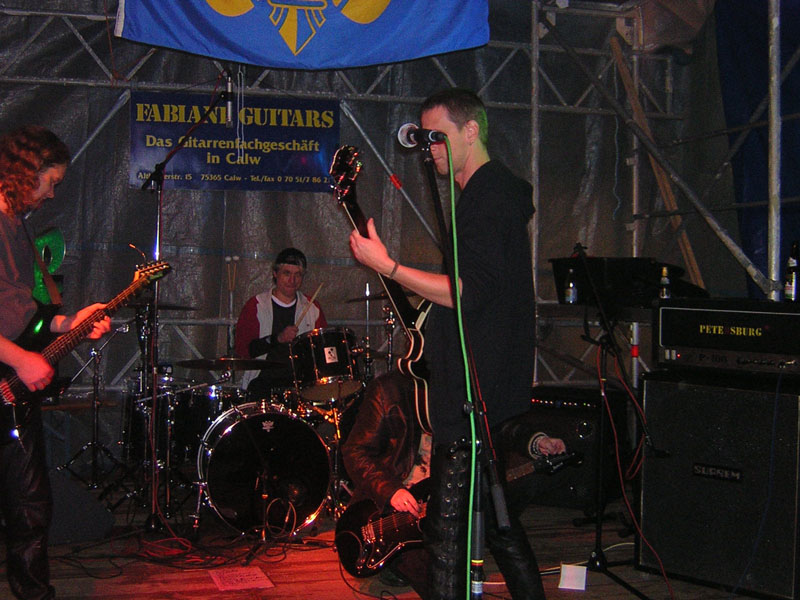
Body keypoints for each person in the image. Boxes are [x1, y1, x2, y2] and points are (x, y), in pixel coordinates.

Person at [349, 88, 544, 599]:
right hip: (482, 385)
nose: (430, 149)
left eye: (438, 136)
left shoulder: (487, 199)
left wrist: (388, 266)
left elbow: (467, 292)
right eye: (425, 139)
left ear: (471, 130)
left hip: (474, 393)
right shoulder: (487, 196)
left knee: (448, 535)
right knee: (498, 523)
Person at [0, 125, 111, 600]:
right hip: (9, 367)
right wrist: (19, 359)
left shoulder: (18, 226)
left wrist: (70, 322)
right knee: (27, 502)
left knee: (29, 504)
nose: (52, 194)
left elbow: (23, 312)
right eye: (52, 182)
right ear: (30, 171)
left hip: (12, 379)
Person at [341, 371, 566, 598]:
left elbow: (502, 426)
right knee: (438, 574)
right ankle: (400, 560)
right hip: (402, 505)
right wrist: (391, 491)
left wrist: (536, 441)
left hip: (450, 495)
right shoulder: (389, 389)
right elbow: (355, 451)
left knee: (518, 480)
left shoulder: (468, 383)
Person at [234, 247, 327, 399]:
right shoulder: (256, 306)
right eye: (287, 273)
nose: (292, 280)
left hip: (301, 386)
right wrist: (278, 338)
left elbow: (322, 350)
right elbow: (243, 350)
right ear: (275, 273)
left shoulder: (312, 307)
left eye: (298, 275)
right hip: (263, 384)